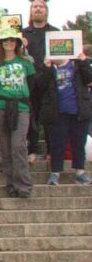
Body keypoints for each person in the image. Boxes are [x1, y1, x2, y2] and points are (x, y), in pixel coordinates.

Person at [0, 29, 36, 197]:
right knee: (5, 147)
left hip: (21, 106)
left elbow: (31, 83)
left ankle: (23, 184)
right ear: (0, 43)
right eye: (5, 40)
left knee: (18, 145)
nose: (9, 43)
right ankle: (11, 183)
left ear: (17, 43)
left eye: (12, 40)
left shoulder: (25, 62)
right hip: (0, 106)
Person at [42, 51, 92, 185]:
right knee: (57, 143)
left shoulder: (76, 65)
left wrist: (83, 62)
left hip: (78, 111)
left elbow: (89, 78)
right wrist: (46, 68)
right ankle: (55, 172)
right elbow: (40, 86)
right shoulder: (49, 68)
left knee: (78, 143)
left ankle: (80, 172)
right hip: (58, 112)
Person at [22, 0, 59, 163]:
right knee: (31, 116)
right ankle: (32, 151)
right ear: (30, 11)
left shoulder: (56, 33)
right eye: (34, 7)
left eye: (41, 7)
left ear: (46, 11)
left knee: (50, 118)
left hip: (50, 79)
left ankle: (51, 151)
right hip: (29, 80)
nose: (37, 9)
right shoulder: (23, 33)